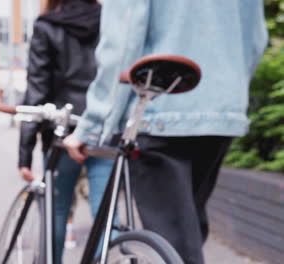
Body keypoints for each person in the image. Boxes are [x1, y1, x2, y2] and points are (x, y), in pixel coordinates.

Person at [63, 1, 268, 264]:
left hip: (159, 110)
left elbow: (123, 39)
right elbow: (255, 39)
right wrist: (228, 96)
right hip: (220, 112)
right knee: (185, 240)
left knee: (174, 247)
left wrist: (92, 125)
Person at [18, 0, 113, 262]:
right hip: (104, 126)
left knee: (56, 210)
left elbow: (36, 89)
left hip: (61, 132)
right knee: (106, 214)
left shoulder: (48, 25)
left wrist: (25, 152)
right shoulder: (109, 19)